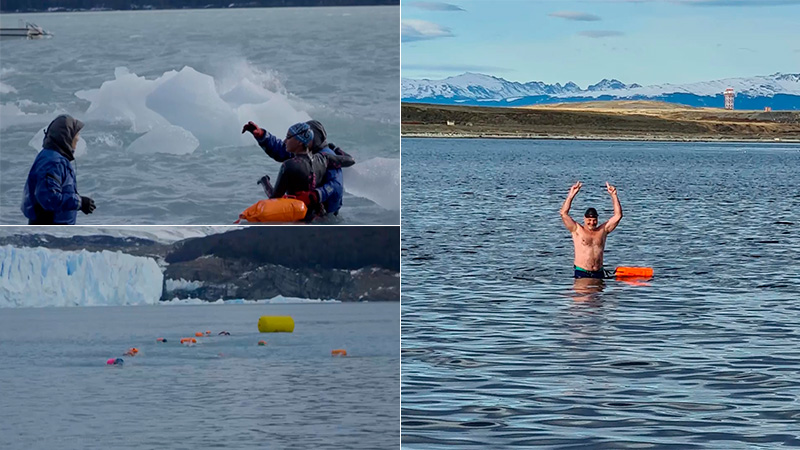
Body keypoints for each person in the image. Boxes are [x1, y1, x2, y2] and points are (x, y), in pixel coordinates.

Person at [242, 119, 353, 217]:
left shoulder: (325, 156)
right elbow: (282, 150)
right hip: (304, 211)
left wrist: (316, 195)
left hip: (325, 215)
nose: (285, 141)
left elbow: (336, 185)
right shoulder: (311, 154)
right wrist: (262, 135)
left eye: (288, 137)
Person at [21, 114, 96, 225]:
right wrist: (80, 202)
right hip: (50, 227)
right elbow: (49, 198)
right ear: (66, 136)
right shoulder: (53, 162)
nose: (78, 138)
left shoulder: (52, 157)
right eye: (76, 133)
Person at [560, 181, 622, 279]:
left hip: (599, 272)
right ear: (584, 219)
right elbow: (563, 213)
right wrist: (571, 195)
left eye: (594, 220)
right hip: (582, 272)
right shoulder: (576, 229)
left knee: (599, 294)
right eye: (589, 220)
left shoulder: (603, 230)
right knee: (584, 294)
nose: (592, 223)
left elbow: (618, 216)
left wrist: (614, 196)